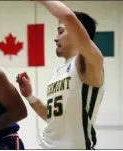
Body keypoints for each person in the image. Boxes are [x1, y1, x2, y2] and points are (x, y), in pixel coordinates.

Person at [16, 0, 105, 149]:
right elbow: (52, 119)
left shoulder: (90, 62)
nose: (56, 38)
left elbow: (67, 16)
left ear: (77, 32)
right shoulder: (59, 71)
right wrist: (29, 96)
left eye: (61, 31)